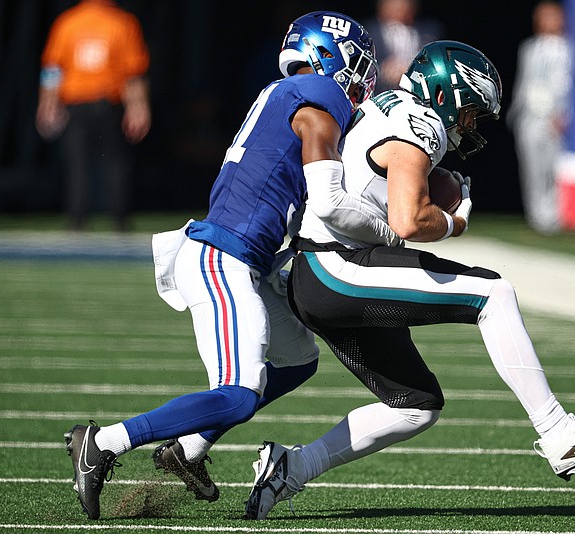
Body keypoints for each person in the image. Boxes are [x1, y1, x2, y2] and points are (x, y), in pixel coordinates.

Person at [243, 41, 575, 520]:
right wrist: (455, 223)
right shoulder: (421, 122)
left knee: (415, 404)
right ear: (447, 93)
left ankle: (291, 467)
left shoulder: (386, 105)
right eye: (470, 111)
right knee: (494, 294)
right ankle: (558, 431)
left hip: (315, 274)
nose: (469, 125)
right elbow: (409, 221)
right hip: (338, 268)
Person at [62, 11, 397, 520]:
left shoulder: (285, 94)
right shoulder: (318, 94)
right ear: (329, 56)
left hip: (244, 256)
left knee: (297, 361)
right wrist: (391, 227)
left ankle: (188, 449)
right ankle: (103, 442)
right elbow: (329, 199)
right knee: (239, 395)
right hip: (226, 256)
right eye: (356, 62)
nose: (361, 76)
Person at [36, 0, 151, 232]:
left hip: (76, 104)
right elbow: (133, 73)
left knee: (77, 162)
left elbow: (52, 69)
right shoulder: (122, 22)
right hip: (108, 103)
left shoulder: (68, 22)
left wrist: (46, 103)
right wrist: (139, 107)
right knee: (116, 162)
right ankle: (119, 219)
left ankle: (77, 219)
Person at [507, 0, 573, 234]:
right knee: (532, 168)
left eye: (553, 17)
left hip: (558, 118)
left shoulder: (571, 48)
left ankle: (558, 215)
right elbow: (523, 82)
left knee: (556, 168)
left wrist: (566, 113)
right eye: (544, 17)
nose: (549, 22)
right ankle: (538, 217)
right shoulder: (529, 48)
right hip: (530, 116)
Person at [363, 0, 443, 93]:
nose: (401, 8)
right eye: (395, 4)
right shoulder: (369, 32)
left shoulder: (431, 30)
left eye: (406, 4)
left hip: (420, 91)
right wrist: (385, 69)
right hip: (382, 92)